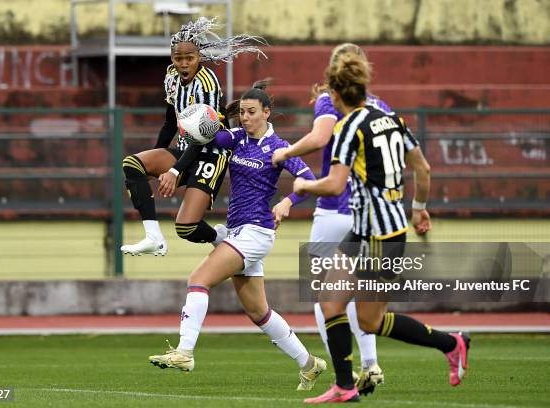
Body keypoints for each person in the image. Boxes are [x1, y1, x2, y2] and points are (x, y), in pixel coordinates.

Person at [291, 51, 470, 403]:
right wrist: (418, 209)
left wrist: (303, 186)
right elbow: (423, 168)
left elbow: (334, 185)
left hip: (379, 238)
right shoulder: (391, 118)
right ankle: (345, 385)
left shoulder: (347, 127)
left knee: (371, 321)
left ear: (335, 95)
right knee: (330, 301)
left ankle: (452, 343)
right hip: (367, 230)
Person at [148, 82, 327, 391]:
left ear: (266, 113)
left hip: (257, 232)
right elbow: (208, 136)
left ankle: (185, 352)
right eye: (242, 112)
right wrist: (196, 121)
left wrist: (286, 202)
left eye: (252, 112)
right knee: (259, 312)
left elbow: (309, 180)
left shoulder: (279, 148)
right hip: (237, 231)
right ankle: (309, 364)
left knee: (198, 279)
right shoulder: (237, 139)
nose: (245, 118)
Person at [272, 43, 388, 395]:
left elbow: (321, 137)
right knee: (360, 293)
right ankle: (371, 364)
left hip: (334, 206)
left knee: (325, 298)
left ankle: (344, 374)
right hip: (369, 212)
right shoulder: (380, 105)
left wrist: (286, 151)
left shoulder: (330, 99)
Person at [120, 17, 265, 256]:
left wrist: (175, 170)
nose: (184, 64)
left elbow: (205, 136)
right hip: (186, 148)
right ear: (172, 59)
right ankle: (153, 237)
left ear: (199, 57)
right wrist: (158, 159)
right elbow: (170, 121)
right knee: (132, 164)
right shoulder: (171, 77)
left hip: (211, 154)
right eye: (179, 59)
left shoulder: (207, 83)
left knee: (186, 228)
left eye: (190, 58)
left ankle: (221, 237)